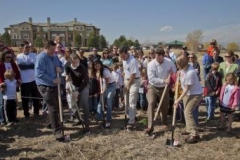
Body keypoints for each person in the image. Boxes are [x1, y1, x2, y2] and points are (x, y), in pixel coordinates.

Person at [35, 40, 64, 141]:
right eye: (51, 50)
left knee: (55, 106)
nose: (53, 51)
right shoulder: (41, 58)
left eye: (54, 49)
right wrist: (52, 80)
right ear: (46, 48)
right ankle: (56, 131)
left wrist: (60, 69)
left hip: (55, 85)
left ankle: (49, 123)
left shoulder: (55, 56)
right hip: (45, 86)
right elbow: (39, 74)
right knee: (53, 107)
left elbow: (61, 66)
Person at [144, 48, 176, 134]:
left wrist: (172, 76)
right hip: (153, 87)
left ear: (163, 56)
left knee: (165, 105)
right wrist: (163, 80)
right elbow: (151, 78)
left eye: (160, 56)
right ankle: (150, 126)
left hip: (164, 87)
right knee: (151, 103)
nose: (158, 58)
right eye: (157, 55)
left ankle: (164, 122)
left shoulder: (169, 62)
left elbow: (174, 73)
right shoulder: (151, 64)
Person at [174, 54, 203, 144]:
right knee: (185, 111)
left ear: (182, 63)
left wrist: (178, 100)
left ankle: (195, 135)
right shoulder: (184, 68)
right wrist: (179, 72)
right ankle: (189, 129)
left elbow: (186, 89)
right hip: (188, 93)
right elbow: (181, 73)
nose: (177, 66)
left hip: (195, 94)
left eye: (178, 64)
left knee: (188, 111)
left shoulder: (190, 73)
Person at [65, 53, 90, 132]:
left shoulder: (83, 68)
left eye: (76, 62)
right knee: (73, 105)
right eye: (73, 62)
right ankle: (79, 119)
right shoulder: (68, 64)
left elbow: (85, 82)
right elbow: (66, 68)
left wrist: (78, 92)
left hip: (84, 87)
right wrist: (66, 75)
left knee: (84, 104)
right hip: (74, 86)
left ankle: (86, 124)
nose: (75, 64)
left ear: (79, 60)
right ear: (70, 61)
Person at [16, 41, 41, 119]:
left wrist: (28, 65)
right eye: (26, 47)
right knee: (25, 98)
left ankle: (36, 112)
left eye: (29, 47)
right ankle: (26, 113)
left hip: (34, 80)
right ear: (22, 48)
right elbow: (21, 66)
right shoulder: (19, 56)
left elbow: (36, 65)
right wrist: (31, 65)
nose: (28, 49)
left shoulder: (34, 55)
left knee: (35, 97)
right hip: (24, 81)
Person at [119, 46, 141, 130]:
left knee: (132, 101)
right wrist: (124, 74)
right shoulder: (124, 60)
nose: (122, 58)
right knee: (126, 101)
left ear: (127, 53)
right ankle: (131, 116)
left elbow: (133, 74)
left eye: (123, 56)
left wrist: (128, 85)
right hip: (127, 81)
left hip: (134, 81)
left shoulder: (133, 61)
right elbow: (126, 70)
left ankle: (131, 122)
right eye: (121, 56)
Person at [92, 59, 116, 128]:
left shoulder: (105, 71)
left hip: (111, 85)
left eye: (98, 65)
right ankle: (99, 116)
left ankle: (108, 119)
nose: (96, 66)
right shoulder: (98, 71)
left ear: (100, 64)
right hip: (105, 85)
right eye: (95, 66)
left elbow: (107, 82)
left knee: (108, 101)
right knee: (100, 101)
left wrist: (103, 90)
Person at [0, 50, 21, 125]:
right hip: (4, 86)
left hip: (12, 85)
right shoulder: (1, 64)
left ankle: (13, 118)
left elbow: (17, 73)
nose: (9, 58)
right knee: (3, 104)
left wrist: (18, 80)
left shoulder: (13, 64)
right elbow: (0, 75)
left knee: (13, 103)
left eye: (10, 57)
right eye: (7, 57)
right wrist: (2, 83)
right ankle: (3, 119)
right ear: (3, 57)